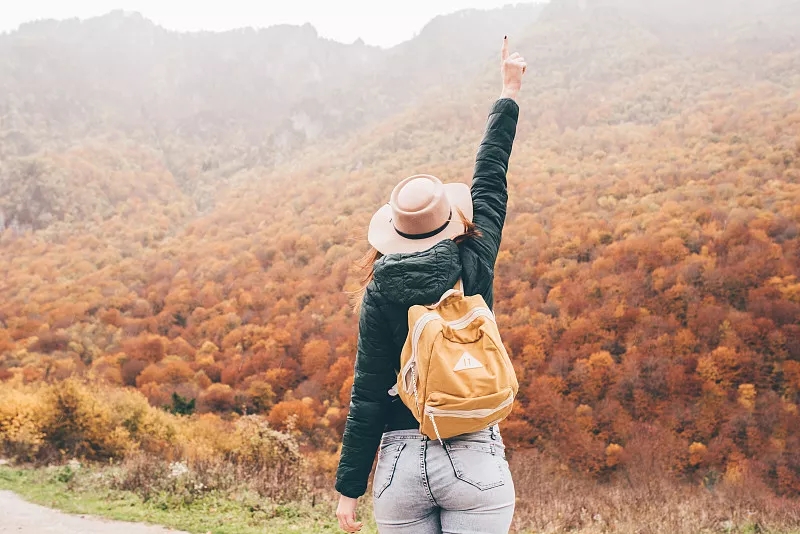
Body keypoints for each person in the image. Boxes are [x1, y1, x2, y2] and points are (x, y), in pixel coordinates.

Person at [335, 36, 527, 534]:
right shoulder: (474, 261)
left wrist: (349, 490)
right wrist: (508, 90)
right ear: (451, 219)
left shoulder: (379, 290)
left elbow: (368, 392)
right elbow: (491, 176)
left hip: (400, 462)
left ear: (393, 232)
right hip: (473, 452)